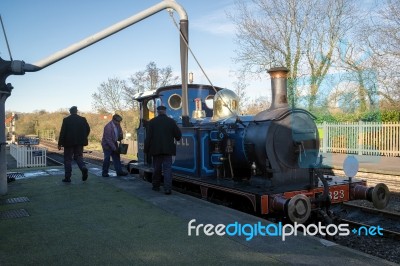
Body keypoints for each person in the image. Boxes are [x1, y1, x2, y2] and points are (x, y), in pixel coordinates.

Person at [144, 105, 182, 195]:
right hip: (168, 150)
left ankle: (156, 186)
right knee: (167, 170)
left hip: (156, 150)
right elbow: (178, 136)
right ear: (165, 111)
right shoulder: (171, 122)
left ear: (157, 112)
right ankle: (167, 189)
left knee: (156, 168)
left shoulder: (152, 122)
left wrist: (146, 150)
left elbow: (148, 137)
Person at [58, 106, 91, 183]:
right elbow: (88, 129)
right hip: (80, 143)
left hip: (68, 143)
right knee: (79, 157)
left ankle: (67, 178)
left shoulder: (66, 120)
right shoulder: (83, 119)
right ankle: (83, 167)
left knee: (68, 160)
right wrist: (83, 137)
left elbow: (62, 132)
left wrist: (60, 143)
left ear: (70, 112)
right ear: (77, 111)